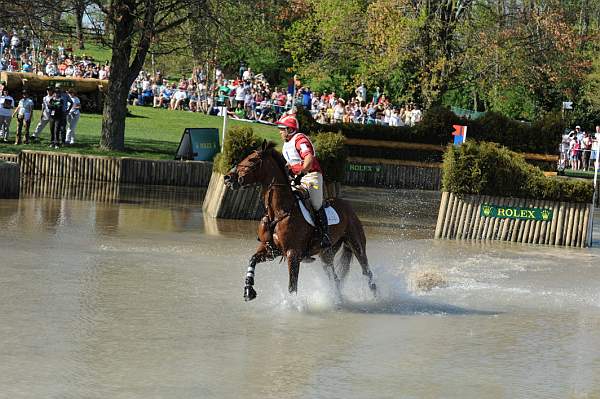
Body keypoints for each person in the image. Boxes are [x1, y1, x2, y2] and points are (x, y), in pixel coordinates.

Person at [277, 114, 332, 248]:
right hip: (296, 177)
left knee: (316, 204)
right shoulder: (286, 144)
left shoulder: (300, 140)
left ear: (290, 130)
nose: (280, 131)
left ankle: (325, 235)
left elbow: (308, 158)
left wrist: (301, 171)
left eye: (282, 128)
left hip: (310, 176)